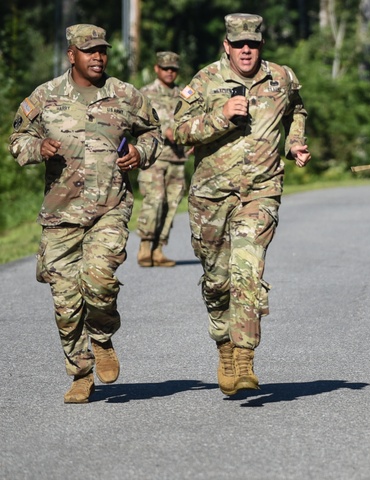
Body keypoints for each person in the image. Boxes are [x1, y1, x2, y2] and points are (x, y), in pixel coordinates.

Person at [8, 24, 161, 404]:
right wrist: (36, 147)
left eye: (102, 50)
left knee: (99, 280)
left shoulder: (124, 95)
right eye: (88, 50)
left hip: (109, 208)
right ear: (71, 55)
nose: (98, 56)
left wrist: (140, 153)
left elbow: (155, 132)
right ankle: (80, 373)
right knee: (65, 301)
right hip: (60, 214)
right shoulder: (45, 96)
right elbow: (17, 139)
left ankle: (104, 337)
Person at [174, 13, 310, 396]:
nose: (246, 51)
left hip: (260, 193)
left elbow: (297, 111)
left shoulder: (281, 77)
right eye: (239, 45)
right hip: (211, 197)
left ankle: (246, 357)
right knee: (217, 282)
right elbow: (179, 131)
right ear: (226, 47)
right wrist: (221, 116)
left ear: (261, 45)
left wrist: (294, 142)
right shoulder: (205, 81)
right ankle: (225, 346)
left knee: (245, 270)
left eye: (252, 44)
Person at [136, 51, 187, 268]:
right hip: (154, 157)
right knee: (154, 201)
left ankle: (159, 249)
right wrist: (164, 130)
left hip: (177, 158)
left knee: (171, 204)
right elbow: (135, 122)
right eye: (165, 68)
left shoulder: (184, 95)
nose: (169, 72)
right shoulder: (145, 93)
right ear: (157, 69)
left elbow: (191, 119)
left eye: (173, 69)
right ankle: (145, 246)